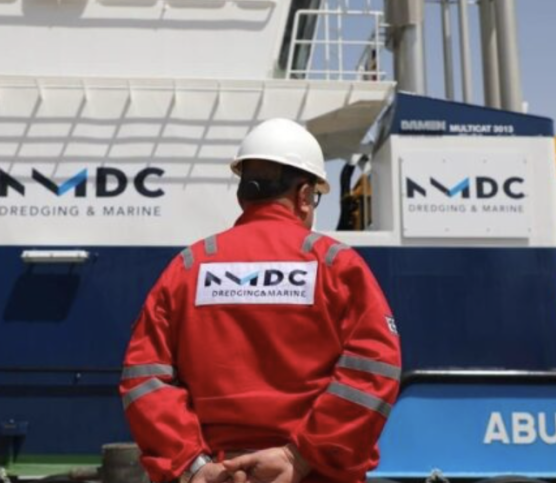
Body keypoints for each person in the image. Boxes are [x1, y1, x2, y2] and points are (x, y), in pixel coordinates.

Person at [119, 118, 402, 483]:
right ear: (304, 196)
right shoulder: (337, 266)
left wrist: (194, 466)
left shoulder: (188, 267)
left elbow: (143, 377)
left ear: (244, 194)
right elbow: (375, 370)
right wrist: (299, 456)